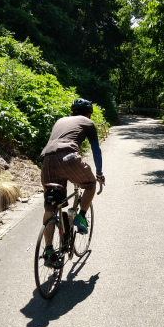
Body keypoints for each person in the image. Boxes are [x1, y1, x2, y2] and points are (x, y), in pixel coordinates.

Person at [40, 98, 105, 238]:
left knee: (50, 206)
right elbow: (96, 150)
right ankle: (81, 217)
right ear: (88, 113)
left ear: (72, 112)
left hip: (47, 159)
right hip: (68, 156)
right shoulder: (88, 122)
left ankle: (49, 252)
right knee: (90, 184)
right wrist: (99, 174)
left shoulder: (60, 121)